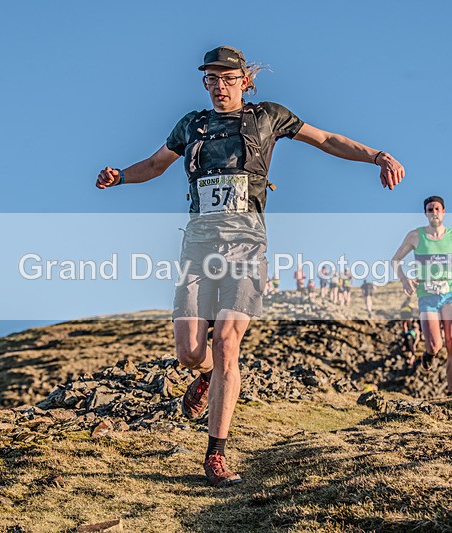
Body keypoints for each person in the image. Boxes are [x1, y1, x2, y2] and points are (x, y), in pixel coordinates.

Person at [96, 45, 405, 486]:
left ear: (245, 80)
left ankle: (215, 455)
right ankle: (205, 379)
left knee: (226, 342)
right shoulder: (192, 125)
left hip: (245, 245)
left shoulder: (268, 117)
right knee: (189, 353)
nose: (220, 86)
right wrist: (121, 176)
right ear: (205, 83)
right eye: (212, 79)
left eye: (228, 78)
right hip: (199, 245)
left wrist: (378, 155)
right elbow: (154, 164)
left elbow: (327, 140)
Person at [391, 196, 452, 397]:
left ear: (444, 212)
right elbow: (395, 260)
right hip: (427, 296)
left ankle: (451, 392)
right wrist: (404, 280)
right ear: (425, 214)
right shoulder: (415, 236)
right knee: (435, 345)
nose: (434, 212)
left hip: (451, 293)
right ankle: (429, 353)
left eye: (437, 209)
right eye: (430, 209)